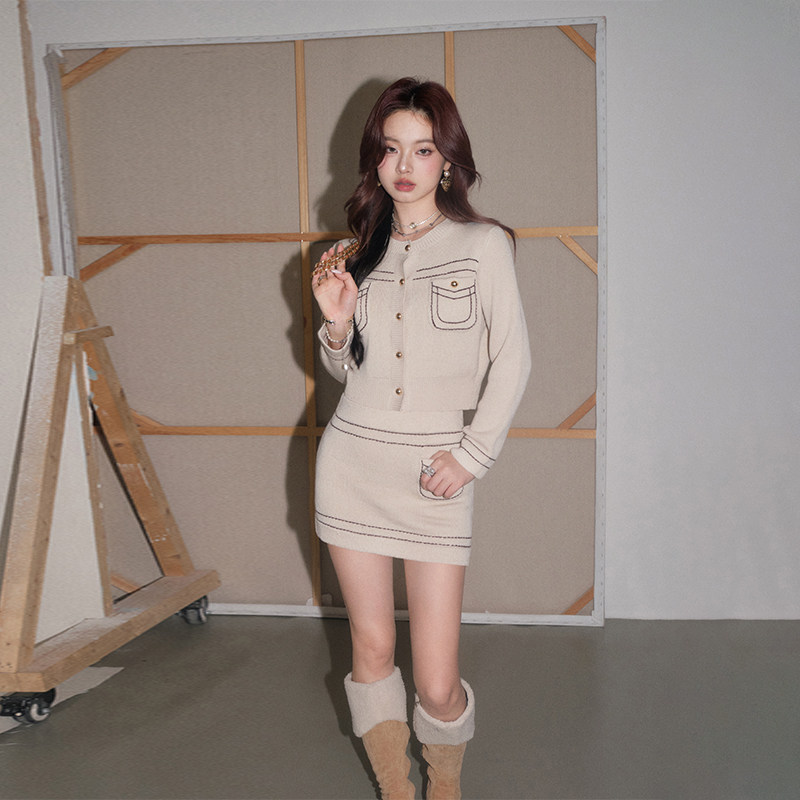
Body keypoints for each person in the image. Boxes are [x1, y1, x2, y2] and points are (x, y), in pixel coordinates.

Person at [311, 77, 531, 800]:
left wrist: (472, 457)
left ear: (448, 161)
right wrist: (336, 323)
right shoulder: (353, 253)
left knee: (437, 683)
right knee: (372, 647)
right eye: (391, 148)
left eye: (424, 149)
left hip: (435, 473)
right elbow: (344, 370)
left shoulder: (483, 245)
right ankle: (397, 791)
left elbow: (513, 361)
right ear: (374, 159)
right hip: (352, 465)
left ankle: (445, 784)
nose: (405, 165)